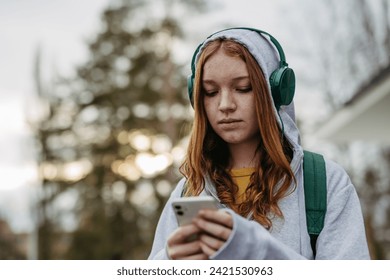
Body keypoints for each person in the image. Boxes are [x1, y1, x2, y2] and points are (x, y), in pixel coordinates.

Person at [148, 27, 370, 260]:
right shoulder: (187, 190)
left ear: (276, 91)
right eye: (210, 92)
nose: (225, 104)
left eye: (243, 88)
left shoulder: (324, 183)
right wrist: (169, 262)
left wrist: (258, 251)